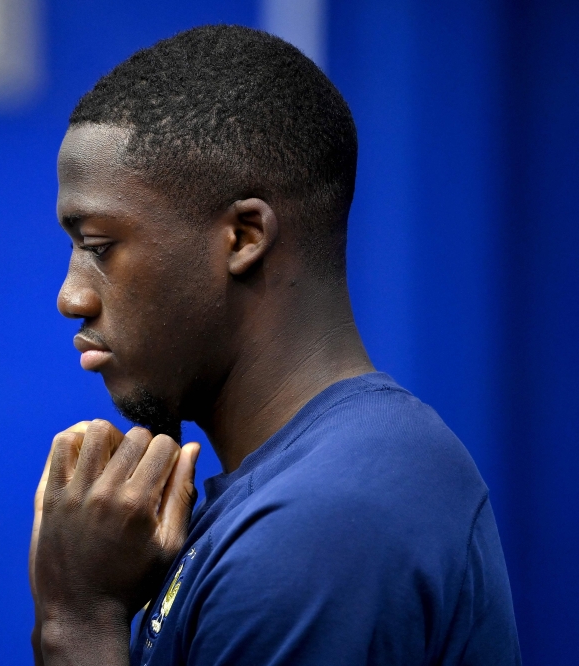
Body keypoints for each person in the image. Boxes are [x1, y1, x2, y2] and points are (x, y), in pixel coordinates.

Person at [28, 25, 521, 666]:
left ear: (242, 237)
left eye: (98, 247)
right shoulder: (319, 485)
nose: (72, 297)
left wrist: (77, 624)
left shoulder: (319, 531)